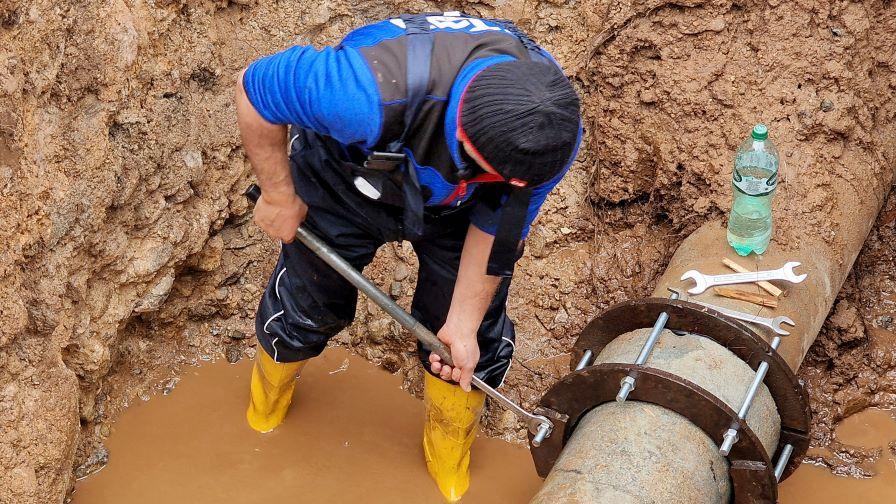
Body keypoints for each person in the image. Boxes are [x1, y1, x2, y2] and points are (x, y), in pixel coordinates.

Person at [235, 12, 581, 502]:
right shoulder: (360, 93)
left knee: (468, 342)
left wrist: (460, 324)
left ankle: (449, 462)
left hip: (457, 206)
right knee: (305, 308)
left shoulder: (548, 133)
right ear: (462, 137)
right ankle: (265, 411)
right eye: (497, 175)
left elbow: (499, 227)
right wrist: (277, 194)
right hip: (345, 179)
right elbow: (255, 90)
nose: (517, 187)